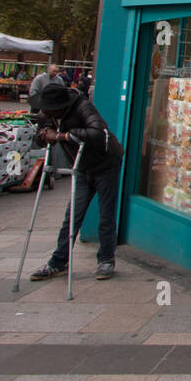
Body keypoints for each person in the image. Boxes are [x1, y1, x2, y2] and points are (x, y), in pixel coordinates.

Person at [29, 83, 123, 281]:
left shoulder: (83, 107)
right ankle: (58, 261)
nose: (44, 111)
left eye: (47, 108)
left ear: (58, 105)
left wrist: (63, 136)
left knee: (106, 215)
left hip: (105, 165)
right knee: (72, 216)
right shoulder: (50, 115)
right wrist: (43, 136)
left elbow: (98, 132)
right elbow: (39, 139)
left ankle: (106, 259)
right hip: (81, 167)